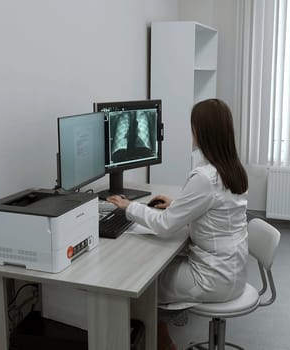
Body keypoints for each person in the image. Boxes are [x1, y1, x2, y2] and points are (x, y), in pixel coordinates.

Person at [107, 98, 249, 350]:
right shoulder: (231, 169)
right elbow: (213, 208)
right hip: (233, 271)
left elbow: (164, 226)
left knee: (137, 286)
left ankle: (163, 344)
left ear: (201, 132)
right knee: (156, 267)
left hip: (212, 278)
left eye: (192, 126)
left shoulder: (205, 177)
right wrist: (176, 204)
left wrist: (129, 207)